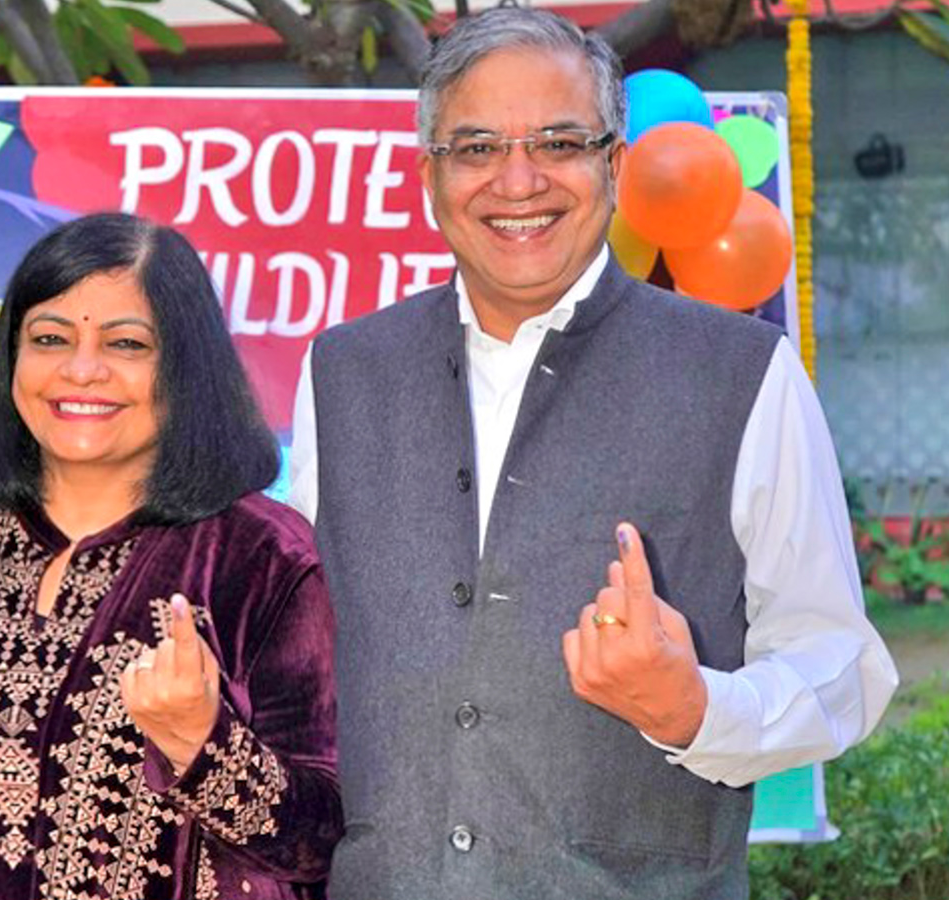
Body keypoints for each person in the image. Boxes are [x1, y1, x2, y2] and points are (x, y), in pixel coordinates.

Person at [289, 8, 896, 900]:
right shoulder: (341, 372)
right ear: (430, 176)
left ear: (613, 164)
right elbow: (304, 665)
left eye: (559, 141)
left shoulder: (742, 374)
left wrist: (696, 709)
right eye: (477, 147)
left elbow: (840, 668)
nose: (519, 180)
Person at [0, 213, 342, 900]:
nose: (82, 370)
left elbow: (323, 841)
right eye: (50, 339)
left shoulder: (263, 556)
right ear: (11, 360)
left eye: (126, 343)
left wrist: (201, 743)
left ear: (183, 368)